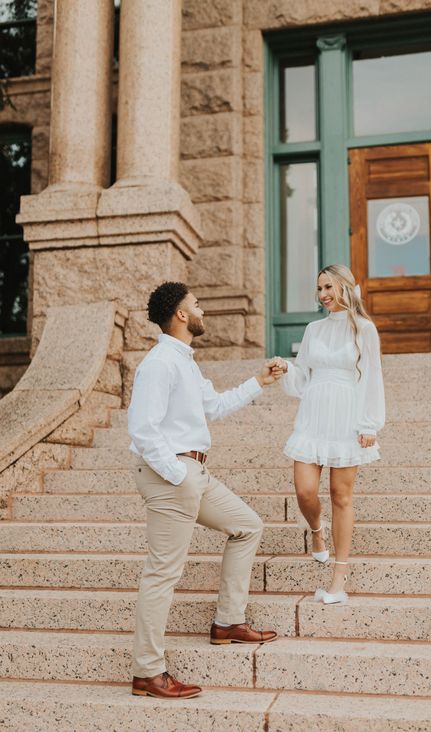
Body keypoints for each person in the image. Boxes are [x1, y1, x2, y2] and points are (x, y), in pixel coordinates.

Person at [128, 281, 281, 700]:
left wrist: (258, 381)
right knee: (163, 573)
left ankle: (228, 622)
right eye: (196, 305)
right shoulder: (160, 362)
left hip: (192, 472)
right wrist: (176, 475)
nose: (202, 310)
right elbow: (142, 428)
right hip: (173, 473)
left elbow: (213, 407)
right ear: (180, 315)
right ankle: (148, 671)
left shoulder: (184, 362)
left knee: (247, 526)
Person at [273, 264, 385, 605]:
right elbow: (304, 377)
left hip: (346, 418)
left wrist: (370, 425)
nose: (323, 294)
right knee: (305, 491)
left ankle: (338, 578)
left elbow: (372, 378)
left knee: (341, 495)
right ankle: (317, 532)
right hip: (313, 417)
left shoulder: (364, 330)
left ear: (346, 288)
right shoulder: (313, 329)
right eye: (319, 288)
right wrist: (286, 369)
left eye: (328, 287)